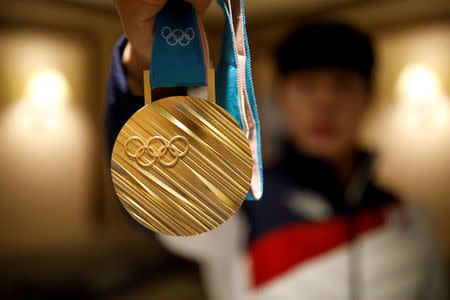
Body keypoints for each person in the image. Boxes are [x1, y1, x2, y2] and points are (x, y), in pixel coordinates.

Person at [105, 1, 446, 299]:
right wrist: (146, 60)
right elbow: (162, 203)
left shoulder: (410, 220)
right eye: (306, 85)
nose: (324, 102)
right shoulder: (244, 201)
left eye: (343, 85)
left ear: (369, 97)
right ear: (280, 97)